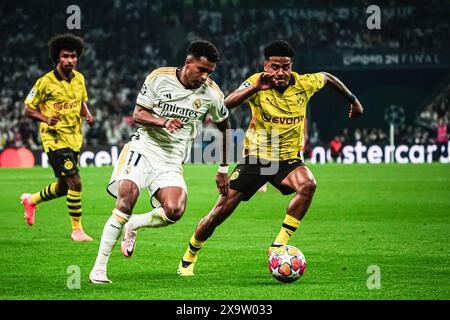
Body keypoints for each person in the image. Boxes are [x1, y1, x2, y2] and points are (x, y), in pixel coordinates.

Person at [177, 40, 364, 276]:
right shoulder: (257, 82)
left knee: (308, 184)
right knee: (219, 213)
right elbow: (226, 104)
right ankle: (190, 255)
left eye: (285, 66)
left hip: (287, 160)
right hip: (258, 159)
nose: (280, 72)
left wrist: (353, 100)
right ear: (266, 65)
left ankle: (278, 245)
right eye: (275, 66)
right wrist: (255, 88)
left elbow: (326, 77)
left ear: (291, 66)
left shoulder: (305, 83)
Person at [89, 40, 230, 284]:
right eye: (201, 70)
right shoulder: (158, 78)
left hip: (172, 160)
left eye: (210, 72)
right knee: (127, 196)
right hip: (143, 148)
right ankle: (98, 269)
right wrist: (163, 122)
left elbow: (225, 129)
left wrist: (223, 169)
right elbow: (138, 115)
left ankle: (133, 224)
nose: (205, 77)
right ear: (188, 63)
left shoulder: (212, 94)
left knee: (175, 211)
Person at [21, 34, 95, 241]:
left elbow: (81, 102)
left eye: (73, 56)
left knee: (64, 187)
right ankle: (77, 230)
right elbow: (28, 109)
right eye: (65, 56)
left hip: (74, 137)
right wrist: (45, 118)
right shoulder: (44, 82)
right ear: (57, 58)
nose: (70, 60)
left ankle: (31, 200)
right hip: (54, 139)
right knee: (76, 182)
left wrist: (87, 115)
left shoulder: (80, 78)